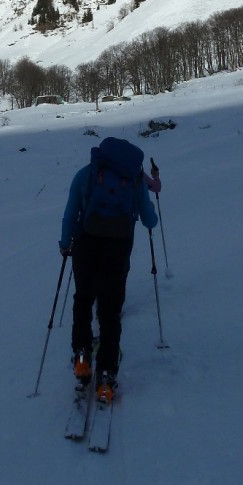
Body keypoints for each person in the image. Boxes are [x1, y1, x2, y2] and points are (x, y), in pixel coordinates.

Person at [59, 137, 158, 403]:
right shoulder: (134, 178)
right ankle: (105, 376)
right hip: (118, 248)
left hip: (86, 244)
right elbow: (149, 219)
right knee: (110, 310)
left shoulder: (86, 175)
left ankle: (81, 357)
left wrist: (64, 243)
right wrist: (152, 215)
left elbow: (70, 213)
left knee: (83, 299)